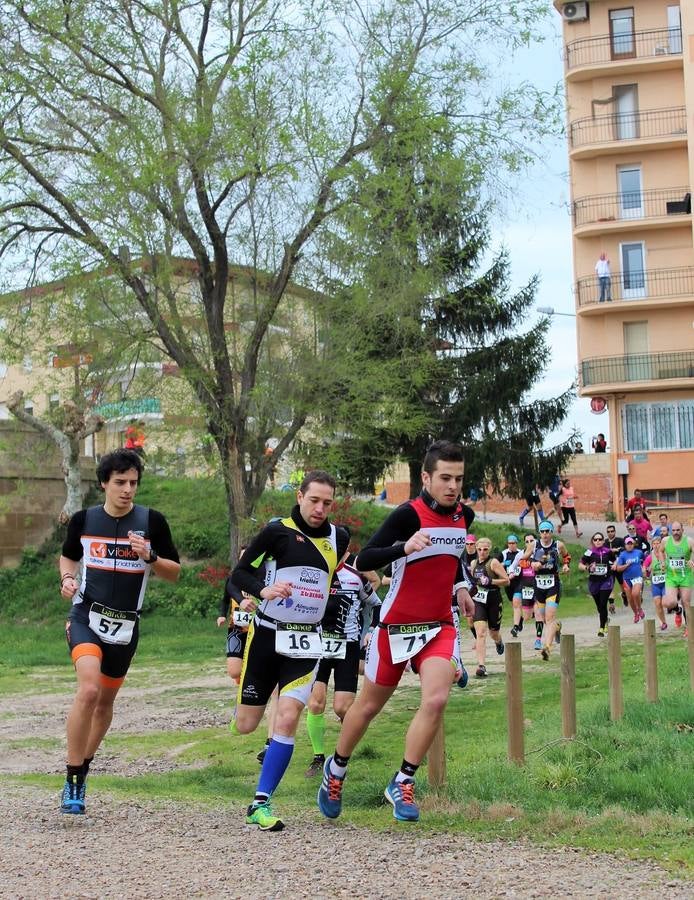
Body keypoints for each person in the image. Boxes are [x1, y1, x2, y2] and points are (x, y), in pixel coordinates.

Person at [317, 440, 473, 824]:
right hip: (395, 627)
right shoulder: (408, 514)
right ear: (426, 477)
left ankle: (403, 780)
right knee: (367, 707)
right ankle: (335, 770)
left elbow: (453, 558)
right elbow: (363, 558)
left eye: (459, 479)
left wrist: (461, 587)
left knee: (436, 701)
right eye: (445, 478)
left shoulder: (463, 516)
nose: (453, 487)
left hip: (438, 626)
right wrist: (403, 547)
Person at [58, 449, 181, 815]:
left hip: (126, 626)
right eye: (120, 483)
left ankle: (85, 764)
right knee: (89, 689)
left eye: (134, 483)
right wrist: (67, 577)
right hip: (85, 616)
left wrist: (151, 558)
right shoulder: (83, 520)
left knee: (105, 704)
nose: (128, 490)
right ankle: (72, 776)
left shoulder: (152, 522)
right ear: (103, 484)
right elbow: (67, 555)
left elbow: (175, 573)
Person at [229, 470, 350, 831]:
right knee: (246, 724)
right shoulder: (276, 531)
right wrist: (263, 590)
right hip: (266, 637)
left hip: (305, 642)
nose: (320, 508)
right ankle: (246, 709)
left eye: (327, 503)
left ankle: (260, 803)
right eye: (314, 500)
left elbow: (331, 578)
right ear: (300, 496)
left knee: (287, 716)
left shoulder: (338, 537)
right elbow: (238, 575)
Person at [304, 538, 381, 778]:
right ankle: (318, 757)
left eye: (341, 551)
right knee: (316, 702)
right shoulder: (313, 573)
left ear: (347, 553)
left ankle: (341, 755)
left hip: (346, 646)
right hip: (317, 646)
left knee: (343, 708)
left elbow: (376, 605)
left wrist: (370, 631)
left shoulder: (355, 577)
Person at [531, 520, 571, 659]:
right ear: (539, 533)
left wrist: (566, 566)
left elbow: (567, 556)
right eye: (542, 531)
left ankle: (547, 648)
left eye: (547, 531)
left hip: (553, 583)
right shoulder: (534, 545)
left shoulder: (558, 545)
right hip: (538, 584)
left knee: (549, 617)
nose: (545, 534)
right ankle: (557, 627)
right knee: (543, 617)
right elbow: (523, 560)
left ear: (551, 532)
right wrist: (533, 564)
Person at [470, 538, 509, 677]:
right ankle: (481, 666)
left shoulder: (493, 563)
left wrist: (491, 581)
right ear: (476, 548)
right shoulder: (473, 563)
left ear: (489, 549)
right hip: (479, 601)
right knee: (480, 632)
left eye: (485, 549)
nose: (482, 552)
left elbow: (506, 580)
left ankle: (499, 642)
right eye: (479, 549)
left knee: (493, 632)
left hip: (493, 599)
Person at [657, 521, 694, 635]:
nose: (676, 532)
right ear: (670, 531)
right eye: (673, 530)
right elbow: (660, 551)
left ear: (682, 530)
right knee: (669, 603)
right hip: (671, 576)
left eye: (678, 530)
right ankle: (678, 611)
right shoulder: (665, 541)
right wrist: (662, 562)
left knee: (686, 602)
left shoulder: (689, 541)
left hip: (685, 576)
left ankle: (689, 627)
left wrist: (692, 560)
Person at [578, 532, 614, 637]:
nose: (598, 541)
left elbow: (616, 560)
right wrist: (587, 568)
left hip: (606, 580)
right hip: (594, 582)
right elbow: (580, 564)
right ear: (593, 541)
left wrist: (615, 565)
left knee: (603, 604)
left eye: (600, 539)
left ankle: (602, 628)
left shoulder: (608, 552)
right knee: (599, 606)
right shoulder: (589, 552)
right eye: (595, 539)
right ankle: (606, 620)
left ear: (603, 541)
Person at [612, 536, 645, 623]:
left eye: (631, 544)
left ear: (633, 544)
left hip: (637, 576)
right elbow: (618, 569)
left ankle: (640, 609)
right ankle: (636, 613)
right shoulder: (623, 555)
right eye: (628, 544)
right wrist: (626, 565)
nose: (630, 545)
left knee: (635, 593)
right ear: (625, 545)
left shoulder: (639, 552)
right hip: (627, 579)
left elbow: (645, 560)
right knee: (630, 598)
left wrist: (644, 567)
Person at [644, 537, 669, 631]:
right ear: (652, 545)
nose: (656, 545)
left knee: (666, 602)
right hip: (656, 583)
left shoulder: (666, 554)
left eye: (658, 543)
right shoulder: (650, 557)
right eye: (654, 543)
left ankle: (677, 608)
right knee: (658, 604)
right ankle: (664, 622)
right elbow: (644, 568)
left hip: (667, 582)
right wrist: (645, 570)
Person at [605, 524, 627, 613]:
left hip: (619, 566)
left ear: (615, 531)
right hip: (609, 567)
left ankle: (624, 595)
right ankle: (612, 604)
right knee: (610, 585)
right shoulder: (605, 542)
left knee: (622, 584)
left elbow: (622, 552)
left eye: (612, 531)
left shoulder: (620, 540)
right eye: (608, 532)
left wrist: (616, 562)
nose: (610, 533)